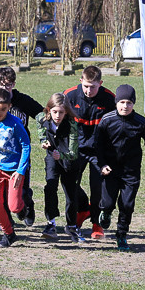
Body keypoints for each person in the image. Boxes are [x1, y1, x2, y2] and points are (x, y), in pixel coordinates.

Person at [87, 84, 145, 252]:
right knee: (108, 202)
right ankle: (105, 211)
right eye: (122, 102)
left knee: (127, 205)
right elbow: (97, 146)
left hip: (130, 172)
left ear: (133, 104)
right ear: (116, 102)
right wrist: (102, 164)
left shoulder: (140, 122)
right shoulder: (107, 120)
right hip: (109, 170)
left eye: (129, 103)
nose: (125, 106)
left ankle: (121, 235)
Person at [65, 66, 116, 240]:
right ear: (81, 81)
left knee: (98, 187)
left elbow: (116, 126)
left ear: (100, 84)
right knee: (69, 182)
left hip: (98, 151)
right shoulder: (70, 96)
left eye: (92, 87)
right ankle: (83, 209)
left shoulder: (110, 99)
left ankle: (96, 223)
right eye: (86, 86)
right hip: (76, 148)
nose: (88, 90)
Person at [0, 88, 32, 247]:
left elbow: (26, 145)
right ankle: (9, 233)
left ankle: (23, 204)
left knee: (14, 207)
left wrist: (20, 170)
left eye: (3, 109)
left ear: (9, 106)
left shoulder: (15, 123)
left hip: (14, 170)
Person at [0, 67, 43, 227]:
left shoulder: (23, 100)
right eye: (0, 85)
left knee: (21, 188)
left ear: (13, 84)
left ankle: (27, 204)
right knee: (3, 192)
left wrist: (47, 132)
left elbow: (42, 114)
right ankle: (9, 221)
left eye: (7, 85)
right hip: (0, 154)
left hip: (21, 153)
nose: (4, 89)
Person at [37, 92, 85, 242]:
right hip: (52, 158)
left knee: (71, 194)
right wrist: (43, 140)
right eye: (54, 111)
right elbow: (40, 129)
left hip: (70, 161)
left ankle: (72, 226)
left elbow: (73, 152)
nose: (57, 115)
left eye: (61, 112)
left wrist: (62, 156)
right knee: (50, 186)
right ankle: (50, 223)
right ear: (49, 110)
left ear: (67, 111)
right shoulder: (42, 118)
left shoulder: (72, 125)